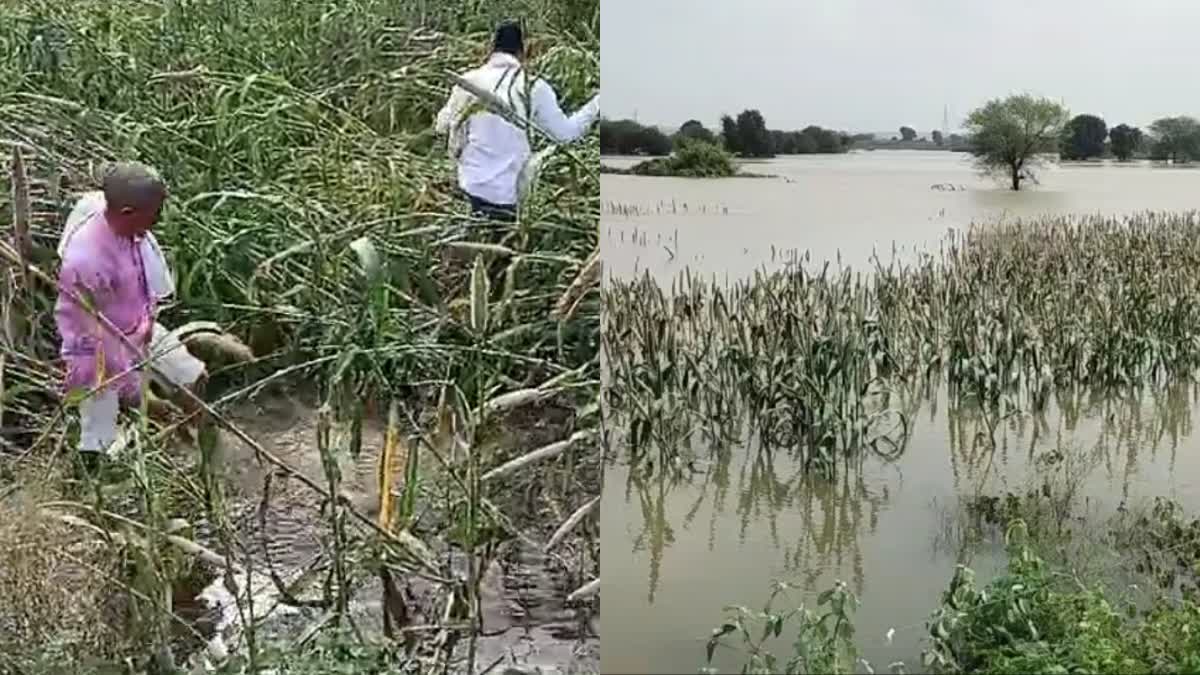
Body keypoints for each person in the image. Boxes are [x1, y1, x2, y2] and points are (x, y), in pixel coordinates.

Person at [55, 162, 207, 468]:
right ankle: (87, 487)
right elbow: (87, 334)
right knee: (98, 435)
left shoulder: (111, 214)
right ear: (127, 213)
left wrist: (148, 325)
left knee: (194, 377)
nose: (160, 218)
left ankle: (198, 446)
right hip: (99, 347)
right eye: (155, 211)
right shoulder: (86, 260)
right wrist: (136, 392)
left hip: (140, 325)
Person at [435, 20, 599, 222]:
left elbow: (441, 126)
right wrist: (597, 104)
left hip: (469, 191)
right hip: (510, 199)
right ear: (523, 52)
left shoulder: (468, 82)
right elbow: (565, 135)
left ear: (491, 48)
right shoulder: (535, 88)